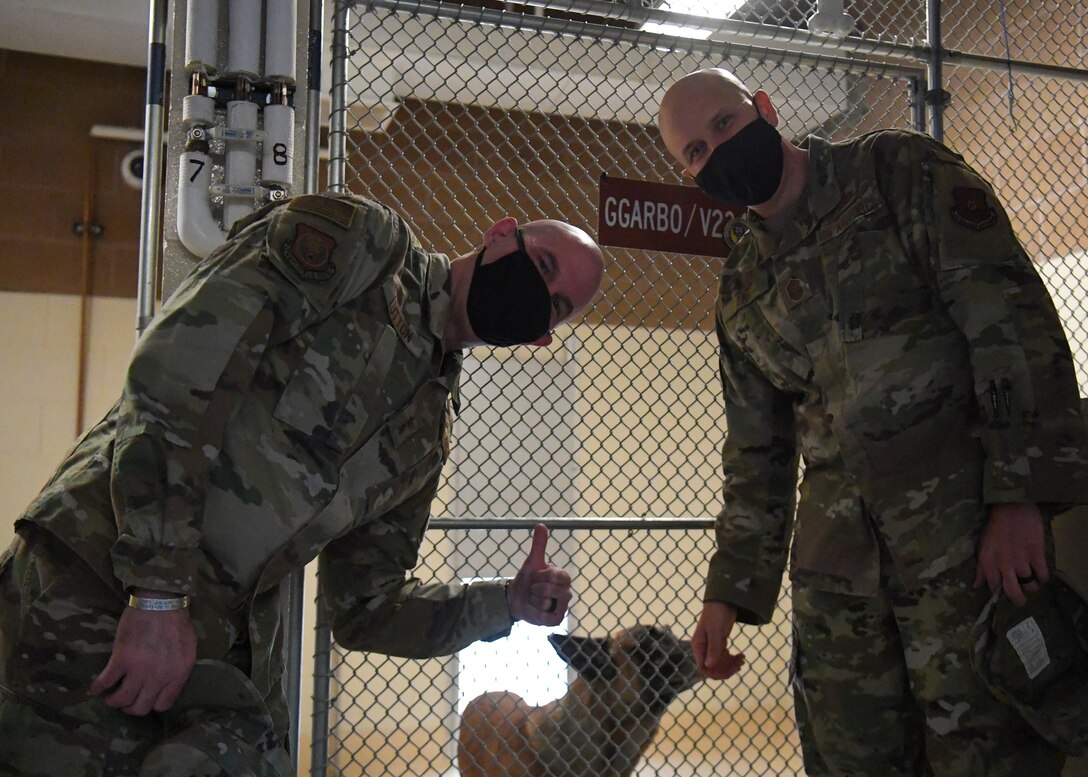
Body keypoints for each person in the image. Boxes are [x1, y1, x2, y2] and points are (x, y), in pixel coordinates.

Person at [0, 191, 605, 776]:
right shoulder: (366, 250)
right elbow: (175, 376)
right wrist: (156, 595)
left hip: (207, 644)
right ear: (500, 234)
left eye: (554, 305)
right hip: (99, 579)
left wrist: (506, 603)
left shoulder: (427, 432)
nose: (537, 291)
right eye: (542, 264)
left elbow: (367, 608)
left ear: (541, 338)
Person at [656, 67, 1088, 776]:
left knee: (989, 749)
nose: (717, 151)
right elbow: (757, 455)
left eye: (724, 125)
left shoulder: (897, 175)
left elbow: (1009, 323)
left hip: (964, 547)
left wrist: (1022, 499)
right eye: (696, 152)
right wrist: (727, 592)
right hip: (839, 587)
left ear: (764, 108)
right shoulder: (740, 288)